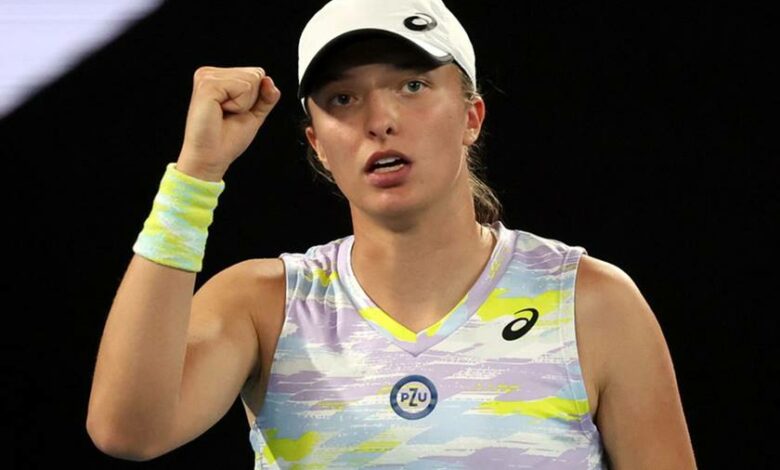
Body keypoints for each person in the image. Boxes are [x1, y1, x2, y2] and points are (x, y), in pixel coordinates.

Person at [86, 0, 697, 468]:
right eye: (342, 98)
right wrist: (196, 175)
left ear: (471, 116)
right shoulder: (263, 305)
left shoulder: (590, 302)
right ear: (317, 145)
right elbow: (127, 431)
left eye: (412, 85)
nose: (379, 120)